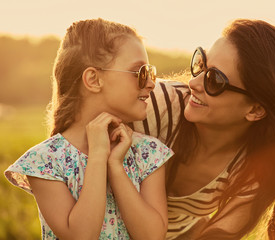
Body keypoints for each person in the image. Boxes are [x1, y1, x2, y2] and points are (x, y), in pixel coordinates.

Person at [134, 19, 275, 239]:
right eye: (200, 65)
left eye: (214, 80)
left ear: (256, 109)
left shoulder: (257, 164)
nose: (194, 83)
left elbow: (219, 235)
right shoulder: (155, 105)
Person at [4, 18, 172, 240]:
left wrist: (116, 167)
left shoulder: (148, 152)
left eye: (150, 73)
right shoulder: (45, 161)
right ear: (93, 79)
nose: (151, 83)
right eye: (140, 72)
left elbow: (152, 236)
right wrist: (98, 157)